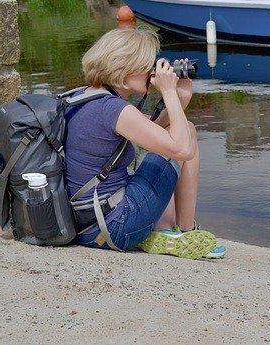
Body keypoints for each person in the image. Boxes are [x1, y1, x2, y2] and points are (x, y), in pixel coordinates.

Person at [64, 27, 225, 259]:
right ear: (123, 69)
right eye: (146, 65)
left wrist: (180, 99)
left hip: (87, 225)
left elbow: (152, 134)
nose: (152, 71)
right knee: (186, 131)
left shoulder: (85, 96)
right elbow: (182, 149)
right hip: (115, 227)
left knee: (178, 135)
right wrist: (168, 93)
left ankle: (166, 230)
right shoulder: (113, 109)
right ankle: (187, 232)